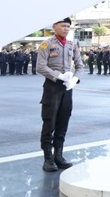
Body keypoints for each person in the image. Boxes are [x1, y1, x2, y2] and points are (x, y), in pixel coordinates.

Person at [36, 17, 84, 172]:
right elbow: (40, 67)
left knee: (63, 121)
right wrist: (59, 76)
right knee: (49, 122)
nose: (66, 29)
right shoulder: (47, 44)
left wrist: (75, 78)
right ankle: (48, 159)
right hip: (52, 86)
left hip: (67, 87)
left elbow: (80, 65)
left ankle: (59, 155)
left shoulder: (72, 45)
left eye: (68, 26)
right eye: (63, 26)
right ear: (54, 26)